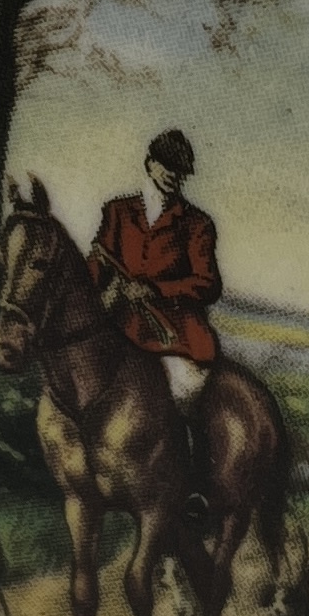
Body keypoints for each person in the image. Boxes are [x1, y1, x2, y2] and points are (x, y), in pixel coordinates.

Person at [89, 129, 223, 448]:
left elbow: (207, 284)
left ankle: (186, 470)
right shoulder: (117, 211)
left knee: (183, 392)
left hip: (175, 334)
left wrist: (153, 289)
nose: (172, 176)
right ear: (150, 164)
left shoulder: (198, 225)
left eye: (180, 172)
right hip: (117, 320)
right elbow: (98, 262)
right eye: (166, 167)